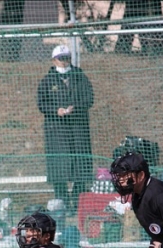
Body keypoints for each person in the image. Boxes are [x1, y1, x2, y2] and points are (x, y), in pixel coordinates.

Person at [37, 44, 94, 211]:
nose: (64, 61)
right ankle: (61, 201)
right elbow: (42, 104)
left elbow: (89, 99)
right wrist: (56, 111)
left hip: (78, 128)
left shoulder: (80, 77)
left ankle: (78, 202)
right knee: (59, 166)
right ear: (54, 60)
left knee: (80, 165)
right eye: (60, 58)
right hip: (57, 130)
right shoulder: (47, 81)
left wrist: (75, 108)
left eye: (67, 58)